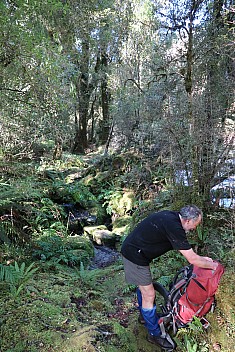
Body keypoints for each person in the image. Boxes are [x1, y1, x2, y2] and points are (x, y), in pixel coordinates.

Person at [121, 205, 218, 350]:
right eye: (194, 225)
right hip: (134, 256)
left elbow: (187, 251)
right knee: (149, 293)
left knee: (145, 288)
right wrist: (215, 267)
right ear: (187, 221)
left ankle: (144, 317)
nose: (193, 229)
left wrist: (202, 259)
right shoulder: (175, 227)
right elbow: (192, 259)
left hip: (136, 251)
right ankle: (154, 334)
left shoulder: (171, 217)